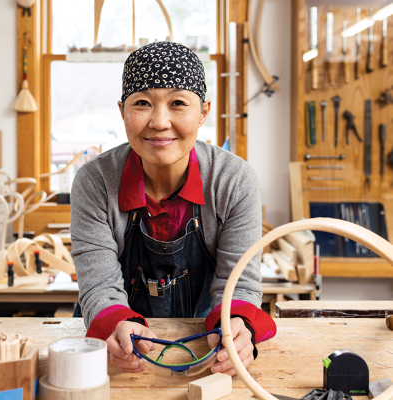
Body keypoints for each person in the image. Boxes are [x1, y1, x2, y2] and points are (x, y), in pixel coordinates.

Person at [70, 41, 276, 376]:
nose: (160, 121)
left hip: (204, 345)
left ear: (204, 111)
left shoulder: (234, 180)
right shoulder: (95, 181)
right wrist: (116, 322)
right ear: (122, 110)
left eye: (178, 103)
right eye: (142, 104)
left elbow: (239, 282)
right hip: (118, 350)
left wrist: (236, 327)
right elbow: (99, 285)